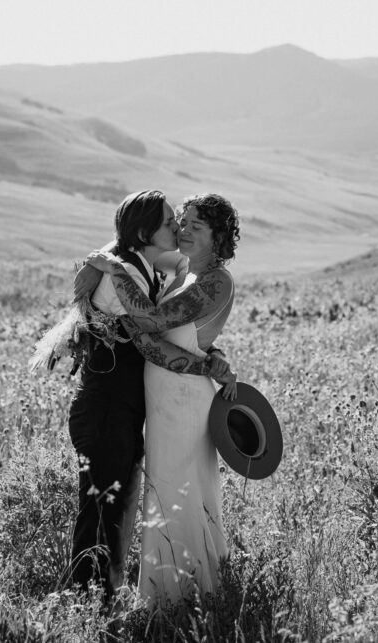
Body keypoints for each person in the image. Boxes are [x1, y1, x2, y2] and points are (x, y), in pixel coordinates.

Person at [56, 190, 234, 601]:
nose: (181, 228)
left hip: (175, 397)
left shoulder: (207, 277)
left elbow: (154, 326)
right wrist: (96, 262)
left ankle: (184, 596)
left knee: (165, 494)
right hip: (125, 403)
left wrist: (210, 359)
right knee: (124, 503)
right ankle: (107, 603)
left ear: (218, 235)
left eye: (192, 224)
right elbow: (125, 241)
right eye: (178, 221)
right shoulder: (181, 266)